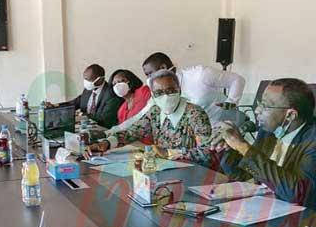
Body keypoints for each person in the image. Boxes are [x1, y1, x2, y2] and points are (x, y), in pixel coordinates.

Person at [215, 78, 316, 224]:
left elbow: (297, 193)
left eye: (266, 106)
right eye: (260, 103)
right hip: (280, 208)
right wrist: (228, 149)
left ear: (290, 115)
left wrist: (242, 146)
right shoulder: (268, 131)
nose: (257, 110)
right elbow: (246, 176)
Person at [109, 52, 246, 133]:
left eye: (150, 73)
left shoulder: (200, 75)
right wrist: (113, 131)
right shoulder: (160, 91)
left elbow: (237, 80)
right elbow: (141, 115)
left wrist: (231, 103)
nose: (149, 79)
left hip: (222, 128)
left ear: (163, 67)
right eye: (146, 75)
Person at [86, 70, 211, 157]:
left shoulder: (195, 113)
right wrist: (106, 143)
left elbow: (207, 152)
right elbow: (131, 133)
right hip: (164, 170)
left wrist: (170, 154)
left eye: (171, 90)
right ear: (153, 95)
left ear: (179, 89)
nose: (166, 96)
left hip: (193, 173)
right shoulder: (156, 112)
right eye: (159, 93)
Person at [58, 64, 122, 129]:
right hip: (85, 127)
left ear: (100, 79)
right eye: (85, 79)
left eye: (88, 80)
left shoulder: (111, 95)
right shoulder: (88, 90)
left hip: (102, 130)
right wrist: (56, 106)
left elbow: (105, 120)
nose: (86, 82)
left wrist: (82, 116)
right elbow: (75, 103)